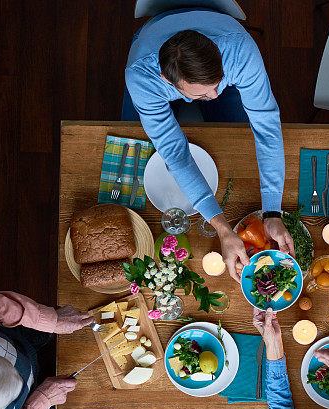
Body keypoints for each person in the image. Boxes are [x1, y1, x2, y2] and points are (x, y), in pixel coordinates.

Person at [124, 8, 294, 280]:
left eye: (217, 84)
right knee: (133, 138)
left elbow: (267, 127)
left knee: (234, 134)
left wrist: (272, 210)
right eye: (203, 93)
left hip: (223, 36)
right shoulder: (141, 76)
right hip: (150, 45)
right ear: (169, 81)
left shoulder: (239, 51)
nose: (213, 96)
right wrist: (223, 229)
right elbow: (176, 154)